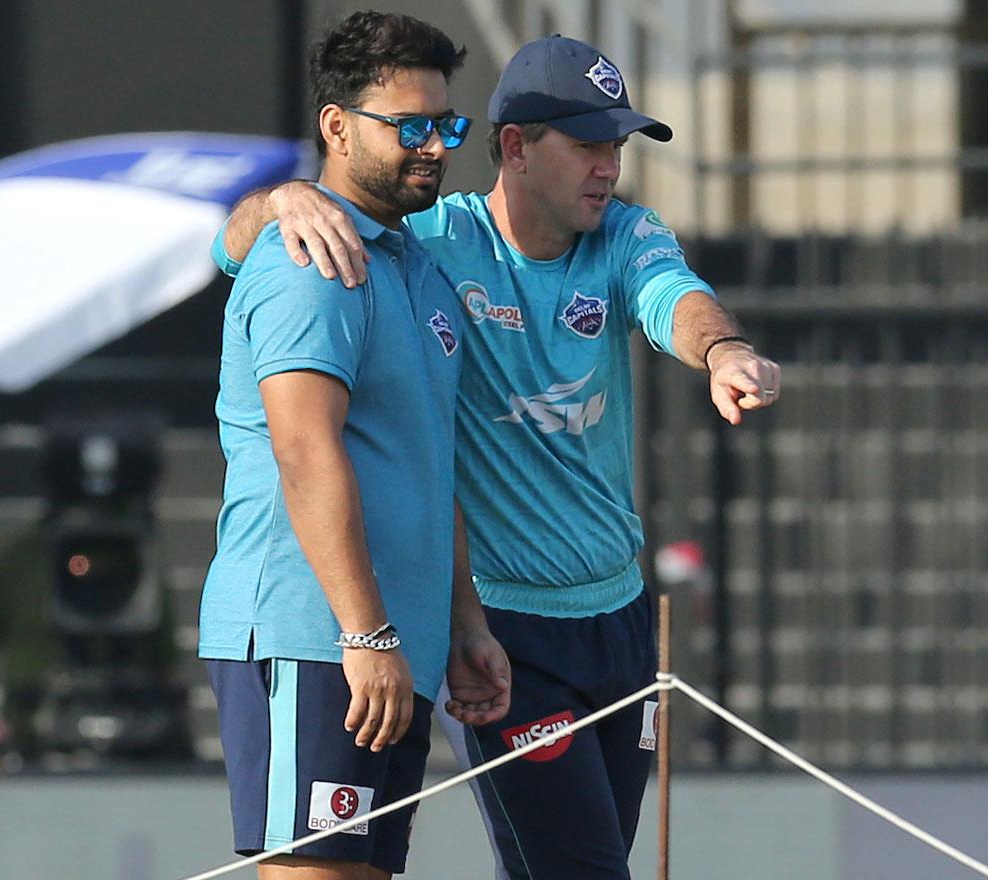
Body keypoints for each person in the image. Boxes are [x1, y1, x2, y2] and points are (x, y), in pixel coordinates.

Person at [216, 32, 780, 880]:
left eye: (616, 146)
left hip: (608, 617)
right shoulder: (427, 241)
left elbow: (676, 300)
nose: (607, 167)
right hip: (493, 628)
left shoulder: (619, 236)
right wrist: (282, 200)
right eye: (587, 143)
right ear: (516, 147)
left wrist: (726, 350)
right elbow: (237, 258)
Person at [198, 12, 509, 880]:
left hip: (385, 644)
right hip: (314, 633)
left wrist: (463, 622)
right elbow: (305, 451)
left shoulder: (416, 264)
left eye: (446, 126)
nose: (435, 147)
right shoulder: (309, 255)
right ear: (336, 127)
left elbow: (426, 460)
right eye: (409, 126)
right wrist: (365, 632)